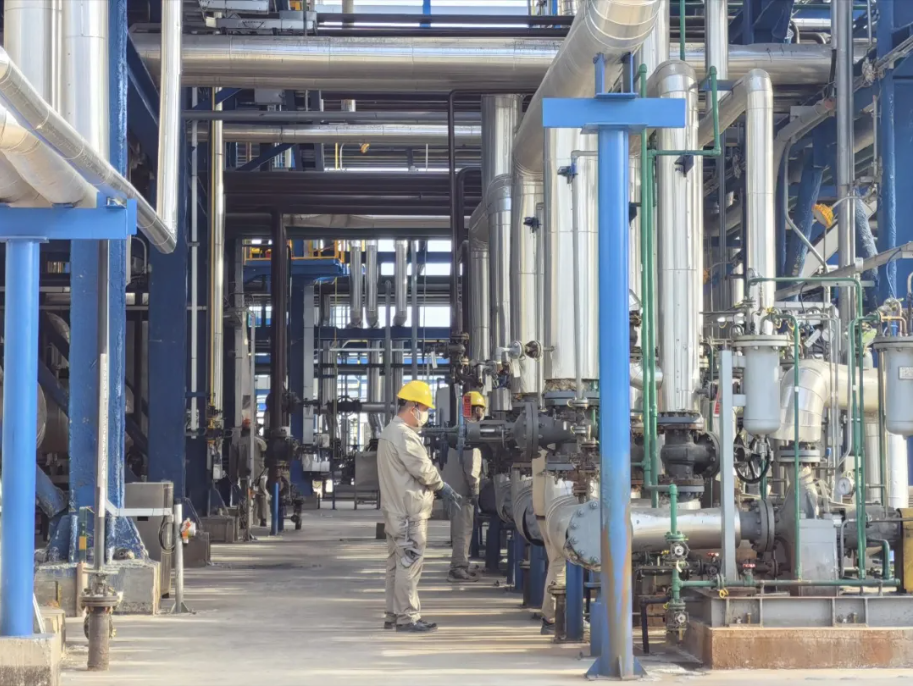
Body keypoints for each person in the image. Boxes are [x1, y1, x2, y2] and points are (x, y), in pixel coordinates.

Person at [378, 380, 463, 633]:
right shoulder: (404, 436)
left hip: (395, 511)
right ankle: (408, 618)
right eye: (424, 409)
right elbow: (423, 470)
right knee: (409, 563)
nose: (425, 415)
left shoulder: (388, 432)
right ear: (413, 407)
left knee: (395, 565)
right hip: (408, 513)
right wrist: (442, 486)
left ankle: (393, 614)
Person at [443, 391, 485, 583]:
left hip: (453, 490)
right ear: (476, 410)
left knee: (459, 530)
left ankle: (461, 564)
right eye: (482, 409)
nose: (483, 413)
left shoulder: (457, 430)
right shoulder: (471, 435)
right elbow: (472, 468)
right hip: (463, 493)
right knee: (463, 531)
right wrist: (476, 492)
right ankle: (458, 569)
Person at [237, 417, 269, 527]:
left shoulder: (238, 442)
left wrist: (234, 476)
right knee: (262, 495)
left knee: (245, 496)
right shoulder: (260, 442)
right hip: (260, 473)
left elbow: (234, 460)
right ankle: (263, 519)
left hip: (244, 473)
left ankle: (244, 520)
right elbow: (266, 456)